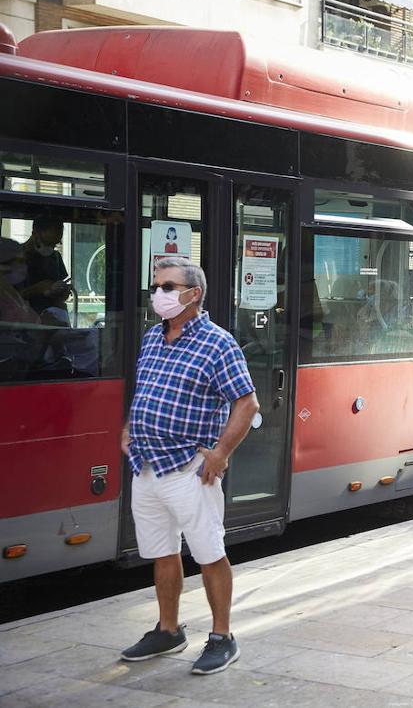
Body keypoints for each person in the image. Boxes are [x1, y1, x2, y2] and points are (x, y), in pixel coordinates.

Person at [119, 257, 259, 674]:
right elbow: (147, 390)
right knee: (162, 552)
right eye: (156, 286)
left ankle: (222, 637)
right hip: (146, 465)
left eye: (167, 286)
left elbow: (247, 403)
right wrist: (130, 426)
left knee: (209, 552)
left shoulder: (218, 343)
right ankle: (168, 630)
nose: (158, 294)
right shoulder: (152, 337)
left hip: (188, 466)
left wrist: (220, 454)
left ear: (192, 294)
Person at [19, 215, 71, 314]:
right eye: (48, 243)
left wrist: (62, 292)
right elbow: (6, 297)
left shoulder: (55, 257)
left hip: (51, 319)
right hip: (22, 322)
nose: (51, 248)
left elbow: (58, 290)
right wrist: (36, 289)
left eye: (55, 244)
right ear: (35, 234)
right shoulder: (13, 257)